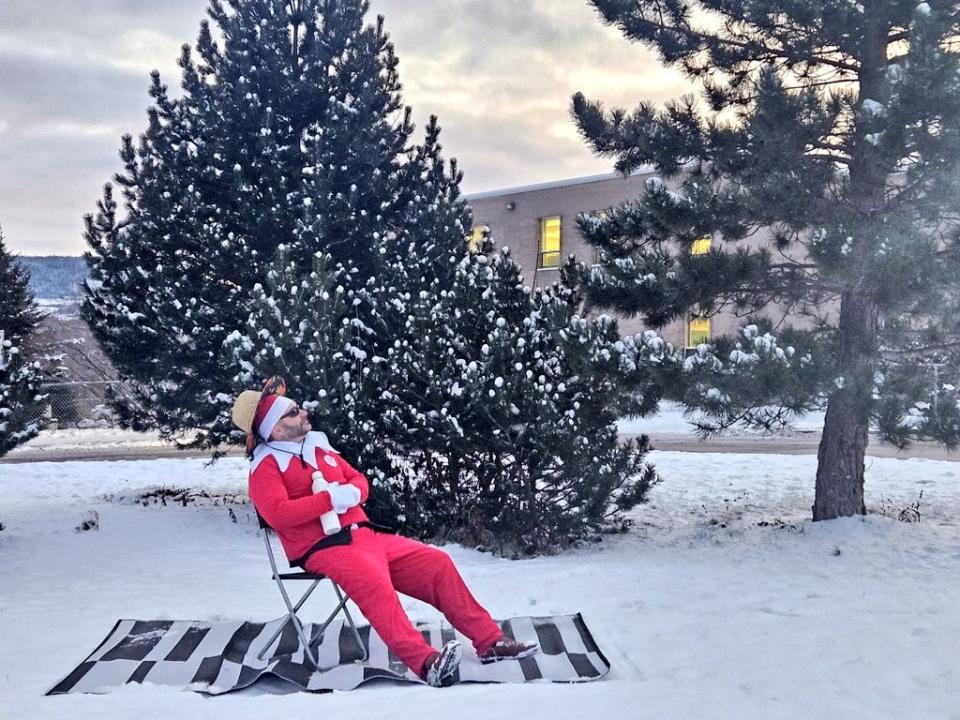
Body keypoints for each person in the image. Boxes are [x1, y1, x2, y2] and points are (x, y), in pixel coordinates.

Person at [232, 378, 538, 687]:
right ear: (277, 429)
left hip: (366, 536)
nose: (303, 412)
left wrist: (353, 493)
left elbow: (358, 480)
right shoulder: (267, 466)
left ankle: (490, 642)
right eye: (293, 412)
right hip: (324, 546)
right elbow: (278, 514)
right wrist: (327, 500)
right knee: (373, 580)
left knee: (437, 563)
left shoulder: (318, 449)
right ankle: (426, 662)